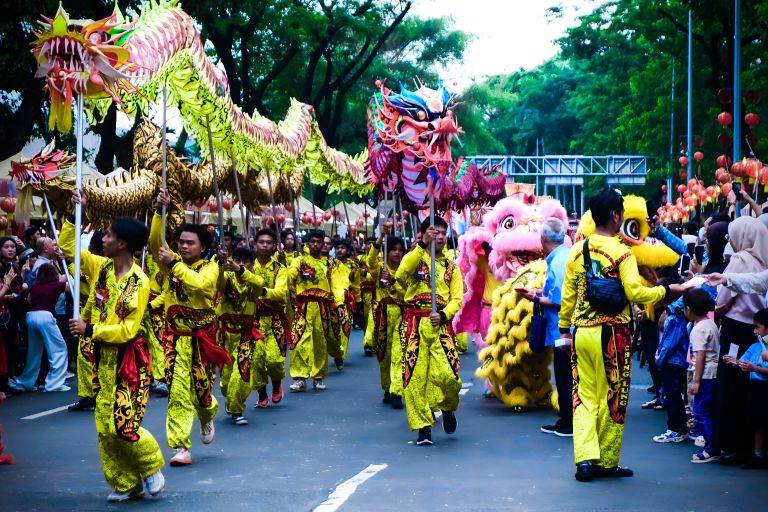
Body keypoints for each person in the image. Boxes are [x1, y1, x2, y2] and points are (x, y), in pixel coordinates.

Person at [558, 188, 674, 482]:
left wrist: (563, 329)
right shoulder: (622, 252)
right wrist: (666, 290)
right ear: (615, 215)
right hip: (613, 334)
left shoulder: (577, 250)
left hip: (582, 333)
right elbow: (635, 292)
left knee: (583, 397)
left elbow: (568, 296)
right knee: (613, 398)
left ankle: (584, 461)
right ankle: (606, 462)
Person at [64, 209, 165, 502]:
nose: (102, 239)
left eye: (108, 234)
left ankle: (150, 467)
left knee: (124, 425)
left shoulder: (139, 281)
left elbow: (127, 330)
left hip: (129, 363)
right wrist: (73, 214)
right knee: (105, 428)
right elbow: (68, 248)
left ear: (122, 243)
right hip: (102, 362)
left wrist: (90, 329)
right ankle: (126, 483)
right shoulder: (101, 268)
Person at [152, 189, 230, 466]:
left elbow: (201, 285)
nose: (183, 247)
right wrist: (158, 212)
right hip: (174, 339)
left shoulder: (211, 267)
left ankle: (208, 414)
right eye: (181, 242)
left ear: (202, 247)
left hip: (202, 341)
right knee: (176, 391)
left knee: (201, 391)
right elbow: (154, 243)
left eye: (190, 243)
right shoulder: (169, 264)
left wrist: (173, 264)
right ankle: (181, 446)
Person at [395, 217, 463, 446]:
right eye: (435, 232)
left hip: (440, 325)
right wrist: (422, 246)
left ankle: (447, 407)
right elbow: (401, 274)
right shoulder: (415, 258)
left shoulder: (452, 268)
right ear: (424, 234)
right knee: (415, 378)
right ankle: (423, 427)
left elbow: (457, 299)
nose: (440, 236)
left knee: (449, 376)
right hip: (414, 323)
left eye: (443, 232)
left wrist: (443, 315)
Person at [711, 216, 768, 464]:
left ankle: (727, 443)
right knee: (751, 386)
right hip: (757, 332)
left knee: (730, 382)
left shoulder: (738, 260)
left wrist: (722, 292)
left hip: (734, 330)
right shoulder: (763, 262)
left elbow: (722, 299)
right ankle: (749, 445)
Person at [517, 218, 572, 437]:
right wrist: (540, 292)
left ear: (542, 238)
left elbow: (559, 300)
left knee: (564, 374)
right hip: (564, 327)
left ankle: (567, 421)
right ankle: (566, 418)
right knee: (565, 374)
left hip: (562, 328)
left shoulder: (558, 262)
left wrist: (534, 297)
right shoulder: (564, 256)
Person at [286, 230, 344, 392]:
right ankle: (300, 377)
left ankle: (318, 377)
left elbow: (337, 285)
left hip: (323, 307)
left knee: (320, 342)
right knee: (299, 339)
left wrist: (339, 304)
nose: (316, 245)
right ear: (307, 243)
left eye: (319, 242)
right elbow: (289, 278)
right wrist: (290, 269)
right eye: (312, 241)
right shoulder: (299, 260)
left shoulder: (331, 264)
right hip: (303, 305)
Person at [216, 246, 264, 425]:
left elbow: (258, 285)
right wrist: (220, 266)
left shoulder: (254, 280)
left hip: (246, 335)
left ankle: (237, 410)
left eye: (246, 261)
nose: (241, 264)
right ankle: (231, 400)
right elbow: (219, 285)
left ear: (252, 264)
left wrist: (241, 271)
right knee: (226, 379)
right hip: (226, 334)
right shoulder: (227, 278)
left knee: (241, 374)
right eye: (238, 260)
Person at [8, 263, 70, 393]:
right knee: (59, 349)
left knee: (34, 352)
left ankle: (25, 382)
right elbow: (71, 288)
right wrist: (65, 278)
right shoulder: (57, 285)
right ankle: (54, 384)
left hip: (30, 316)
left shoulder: (34, 287)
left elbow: (30, 301)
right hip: (46, 316)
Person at [364, 225, 406, 408]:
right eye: (394, 249)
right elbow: (370, 260)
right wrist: (381, 237)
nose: (397, 253)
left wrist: (393, 282)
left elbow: (408, 292)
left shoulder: (406, 270)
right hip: (382, 315)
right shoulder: (379, 268)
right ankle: (387, 388)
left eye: (400, 250)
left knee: (400, 353)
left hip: (402, 314)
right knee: (384, 355)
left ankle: (397, 391)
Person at [723, 308, 768, 469]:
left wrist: (755, 369)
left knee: (762, 423)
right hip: (754, 388)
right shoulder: (755, 347)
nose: (754, 331)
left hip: (765, 388)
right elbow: (744, 362)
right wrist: (734, 361)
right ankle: (757, 454)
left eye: (758, 327)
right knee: (756, 423)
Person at [248, 229, 288, 409]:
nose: (264, 245)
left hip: (274, 320)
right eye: (261, 241)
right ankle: (262, 394)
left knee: (274, 359)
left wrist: (263, 292)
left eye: (268, 242)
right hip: (252, 321)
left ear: (274, 246)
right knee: (255, 360)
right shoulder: (248, 267)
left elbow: (281, 292)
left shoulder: (280, 269)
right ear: (254, 244)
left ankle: (277, 383)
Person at [682, 289, 720, 463]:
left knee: (700, 410)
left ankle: (710, 449)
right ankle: (711, 444)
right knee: (707, 410)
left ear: (689, 309)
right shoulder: (711, 323)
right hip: (714, 372)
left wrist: (696, 381)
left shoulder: (698, 330)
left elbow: (701, 355)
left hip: (705, 375)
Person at [329, 238, 360, 370]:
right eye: (338, 248)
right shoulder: (330, 263)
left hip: (346, 301)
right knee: (331, 328)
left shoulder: (354, 266)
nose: (339, 250)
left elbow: (357, 284)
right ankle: (335, 350)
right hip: (330, 300)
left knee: (345, 327)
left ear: (347, 250)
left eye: (342, 248)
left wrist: (358, 301)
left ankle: (340, 354)